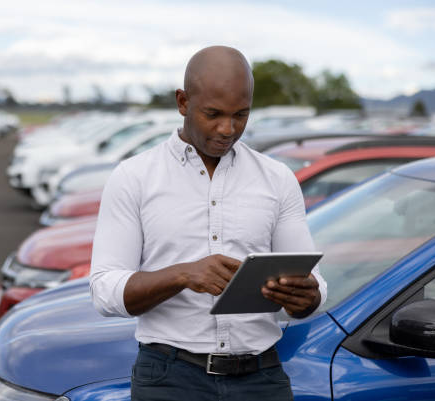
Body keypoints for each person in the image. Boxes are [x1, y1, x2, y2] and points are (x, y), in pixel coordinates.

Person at [89, 46, 327, 401]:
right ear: (183, 102)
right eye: (213, 114)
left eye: (241, 115)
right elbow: (104, 291)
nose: (228, 129)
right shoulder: (134, 177)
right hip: (169, 378)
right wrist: (184, 274)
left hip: (261, 378)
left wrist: (307, 297)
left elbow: (313, 287)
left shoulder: (277, 178)